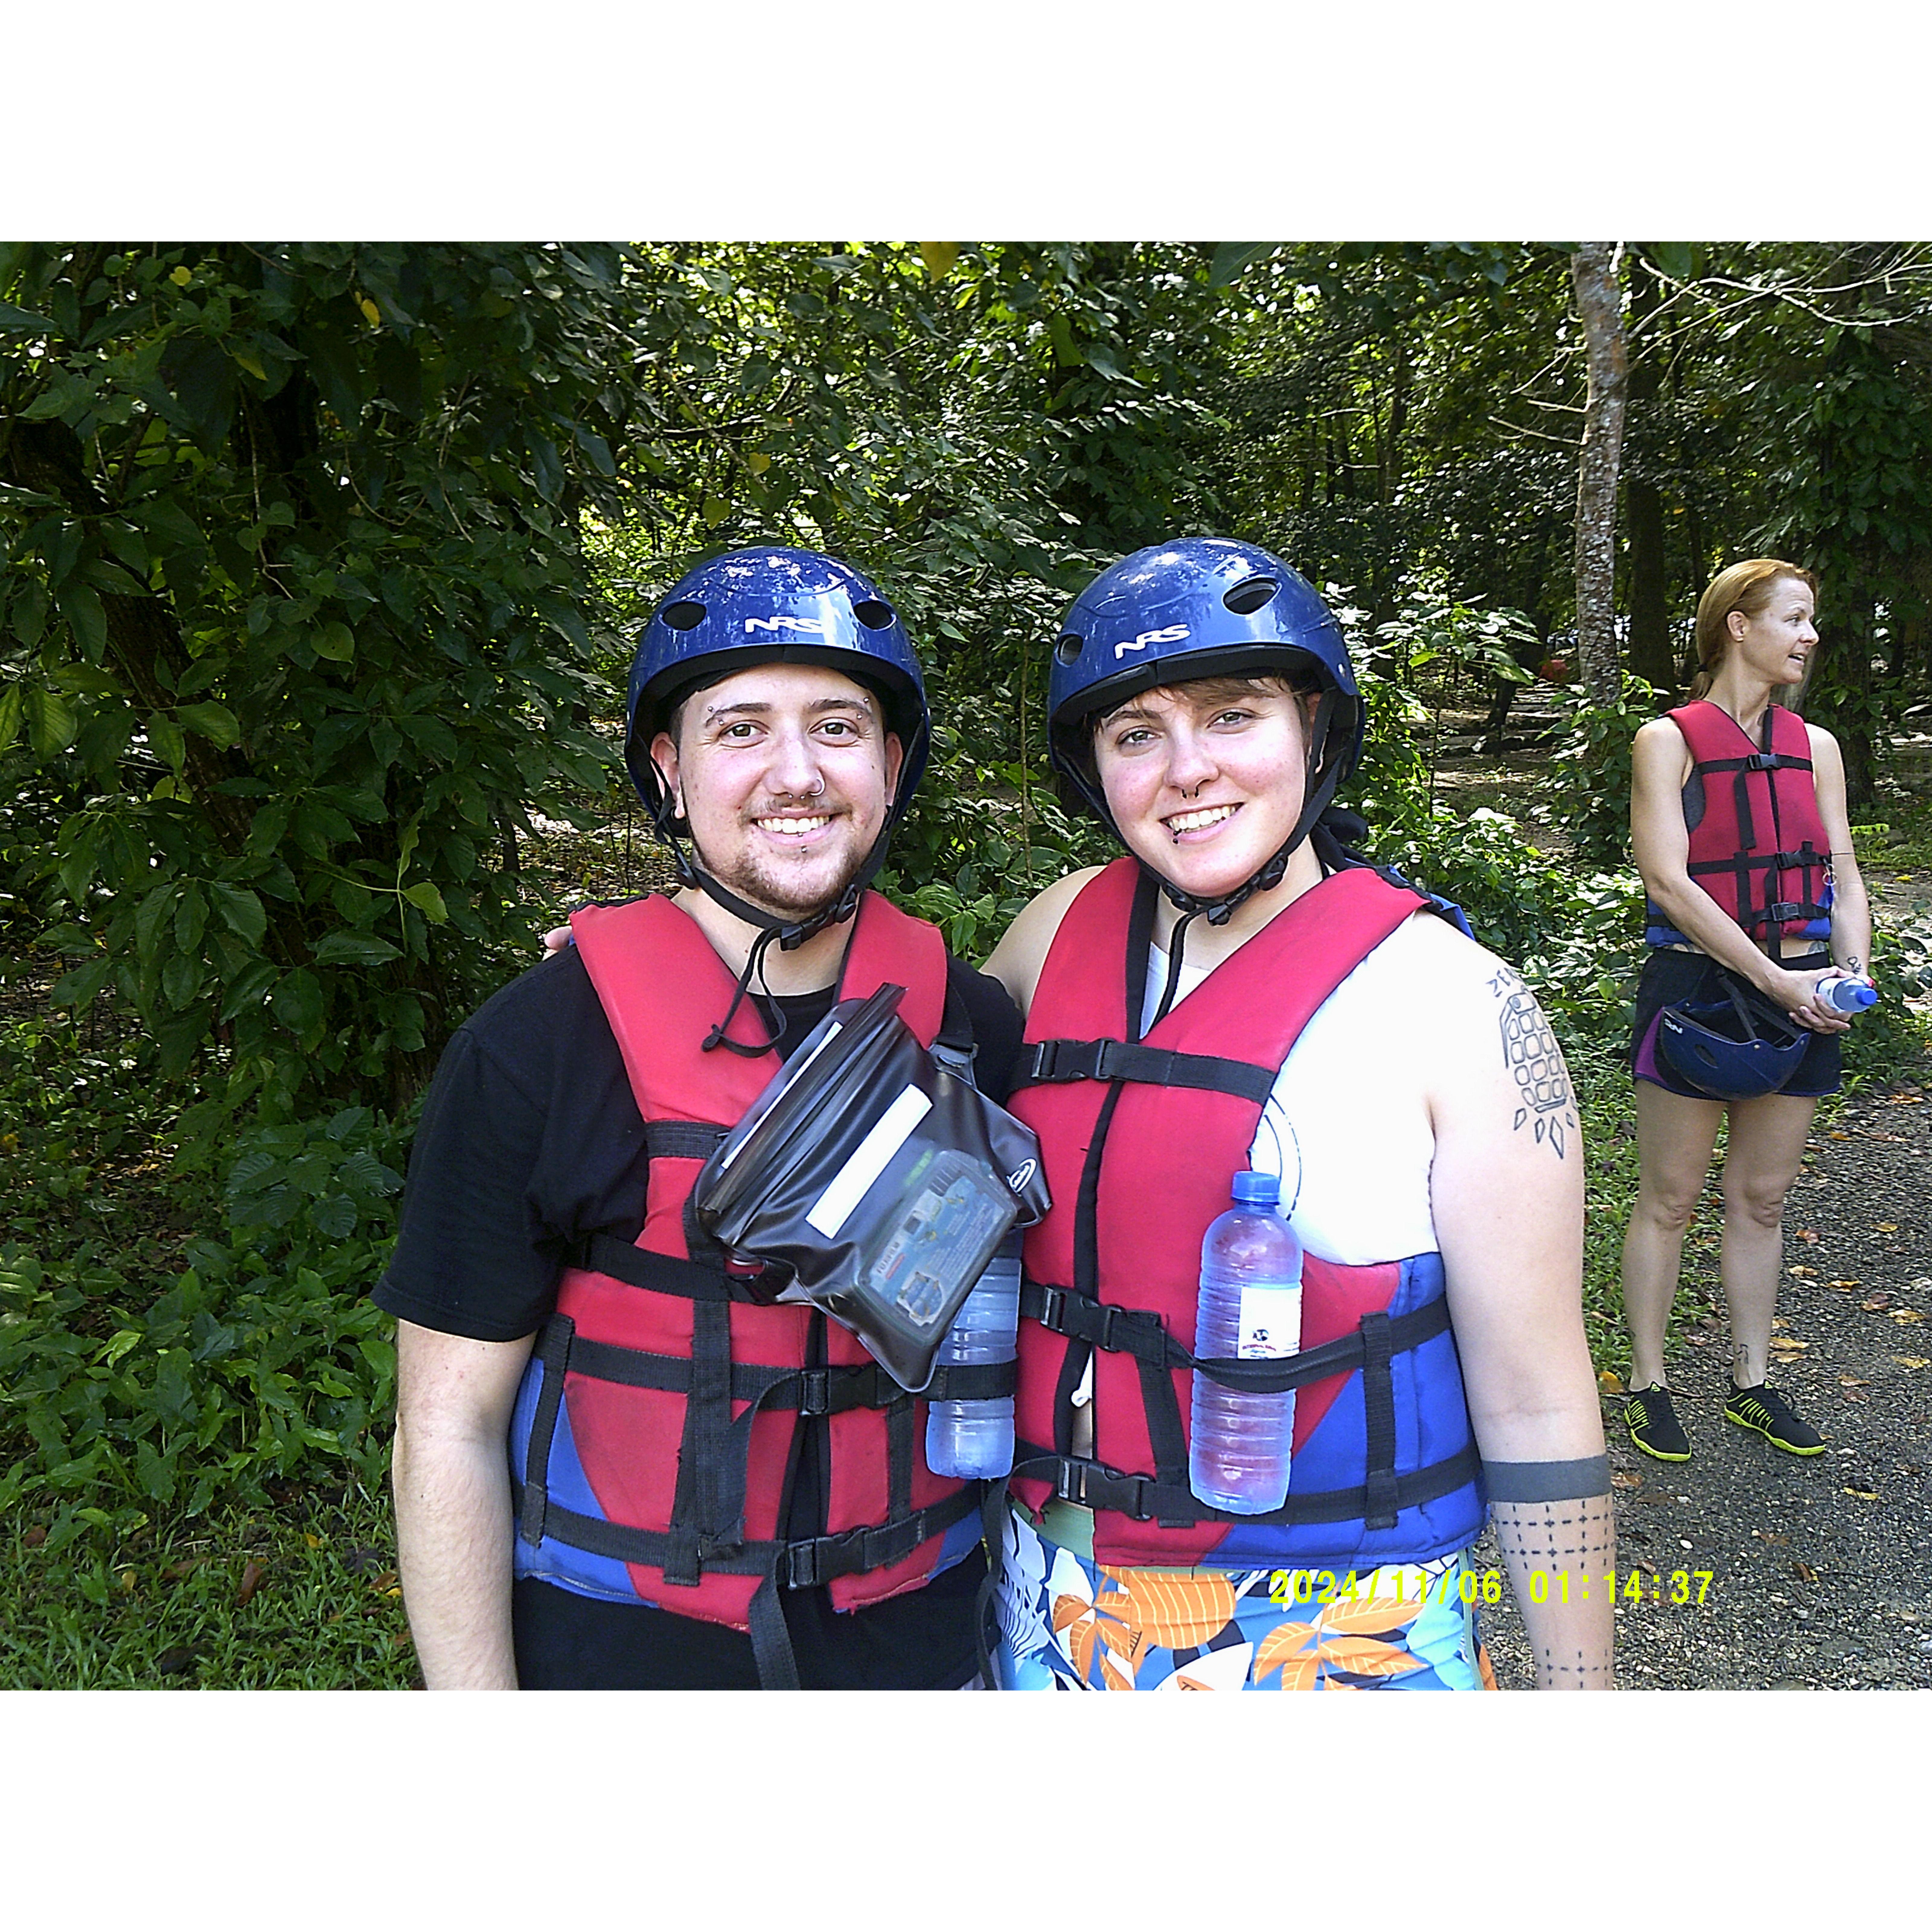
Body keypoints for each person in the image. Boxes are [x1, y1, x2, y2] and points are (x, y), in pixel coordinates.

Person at [377, 546, 1023, 1689]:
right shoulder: (538, 1047)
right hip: (625, 1647)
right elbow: (448, 1428)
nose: (797, 773)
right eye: (741, 730)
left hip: (922, 1632)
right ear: (669, 771)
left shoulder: (970, 1024)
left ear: (892, 762)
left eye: (838, 726)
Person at [981, 537, 1614, 1690]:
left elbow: (1537, 1403)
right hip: (1052, 1595)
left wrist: (1583, 1703)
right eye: (1136, 735)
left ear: (1313, 728)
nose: (1186, 771)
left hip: (1338, 1623)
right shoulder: (1051, 931)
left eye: (1232, 716)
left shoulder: (1453, 1002)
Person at [1619, 559, 1871, 1463]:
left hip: (1806, 996)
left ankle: (1752, 1383)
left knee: (1761, 1201)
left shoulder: (1819, 747)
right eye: (1795, 618)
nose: (1809, 636)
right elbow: (1668, 882)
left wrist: (1852, 971)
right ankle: (1648, 1385)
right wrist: (1774, 979)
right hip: (1701, 991)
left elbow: (1842, 871)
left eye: (1812, 620)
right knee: (1672, 1197)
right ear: (1737, 624)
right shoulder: (1668, 741)